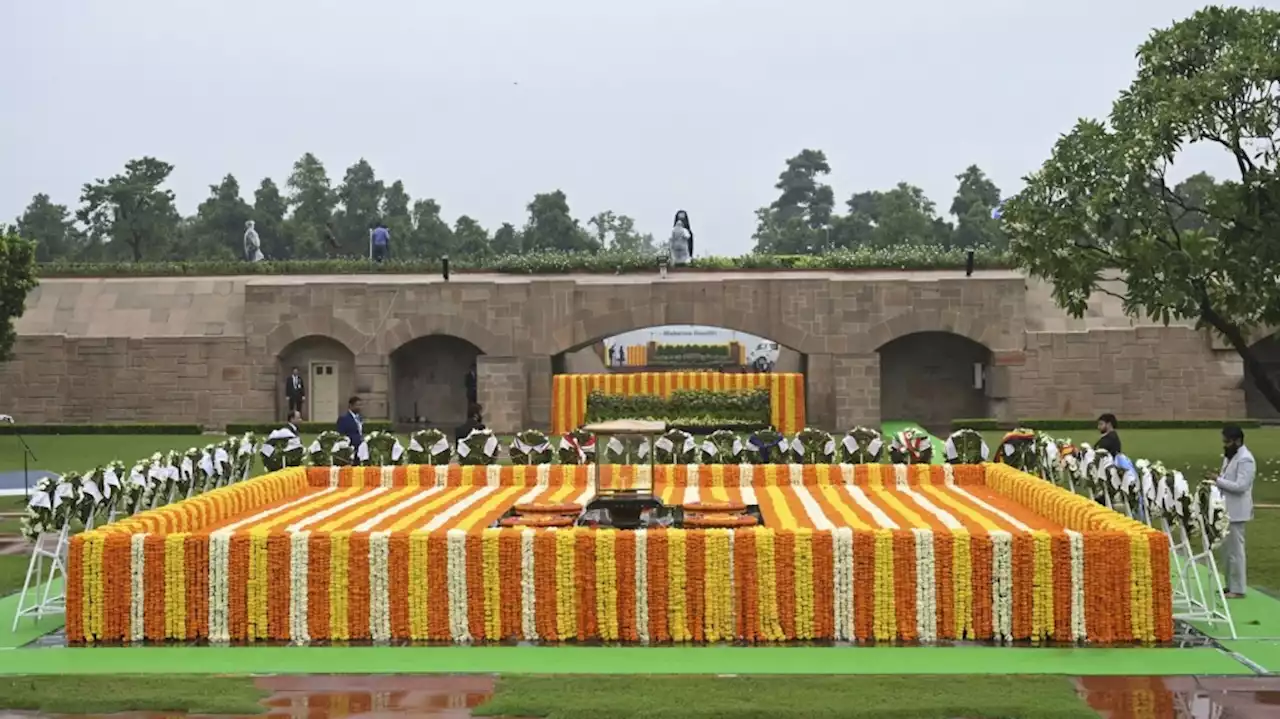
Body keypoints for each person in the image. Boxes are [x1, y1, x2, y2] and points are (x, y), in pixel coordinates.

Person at [1211, 424, 1255, 598]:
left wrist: (1218, 481)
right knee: (1227, 552)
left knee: (1236, 552)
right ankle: (1230, 585)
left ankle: (1238, 588)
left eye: (1227, 442)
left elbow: (1241, 486)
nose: (1225, 445)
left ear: (1237, 441)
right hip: (1225, 509)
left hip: (1237, 511)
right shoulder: (1230, 456)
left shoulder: (1246, 459)